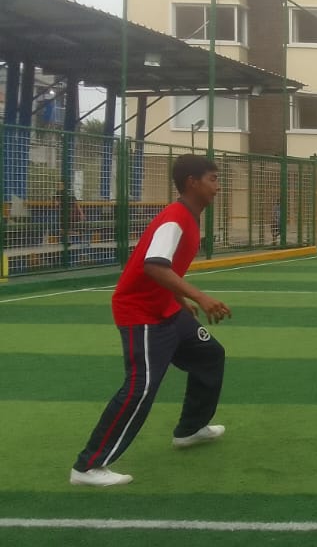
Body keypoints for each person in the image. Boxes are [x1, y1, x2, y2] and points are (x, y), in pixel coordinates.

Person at [69, 154, 232, 487]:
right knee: (140, 387)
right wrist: (200, 297)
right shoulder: (175, 218)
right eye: (213, 179)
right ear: (192, 182)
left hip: (167, 310)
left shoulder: (190, 217)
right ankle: (88, 467)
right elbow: (154, 265)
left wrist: (179, 300)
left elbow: (166, 268)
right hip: (141, 313)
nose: (218, 186)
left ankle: (190, 430)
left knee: (210, 355)